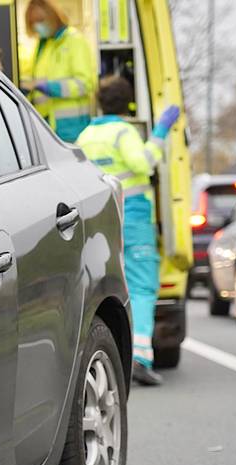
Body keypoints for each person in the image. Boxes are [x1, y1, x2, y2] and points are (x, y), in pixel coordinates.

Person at [76, 75, 180, 386]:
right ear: (129, 104)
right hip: (133, 217)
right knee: (143, 285)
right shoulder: (124, 132)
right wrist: (160, 132)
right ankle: (141, 357)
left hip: (101, 220)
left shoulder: (85, 136)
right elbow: (143, 163)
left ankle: (113, 358)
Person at [20, 0, 96, 143]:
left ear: (52, 16)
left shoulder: (74, 41)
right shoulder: (43, 46)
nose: (37, 26)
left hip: (72, 129)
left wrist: (46, 87)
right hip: (47, 128)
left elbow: (85, 84)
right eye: (33, 22)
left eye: (40, 20)